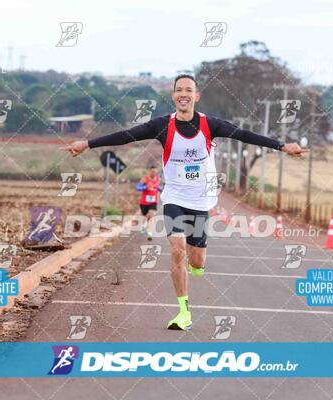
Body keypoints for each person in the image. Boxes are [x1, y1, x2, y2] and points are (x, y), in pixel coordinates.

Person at [63, 74, 307, 330]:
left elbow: (245, 135)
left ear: (196, 96)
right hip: (174, 197)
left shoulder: (210, 125)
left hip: (201, 199)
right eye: (179, 90)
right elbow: (127, 135)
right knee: (177, 249)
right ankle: (183, 313)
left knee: (197, 261)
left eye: (188, 90)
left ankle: (198, 263)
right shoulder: (161, 126)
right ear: (173, 95)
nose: (183, 94)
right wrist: (87, 144)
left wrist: (281, 146)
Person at [136, 165, 162, 240]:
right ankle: (144, 225)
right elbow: (138, 188)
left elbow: (158, 188)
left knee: (152, 214)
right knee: (145, 216)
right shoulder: (145, 179)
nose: (154, 173)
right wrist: (145, 187)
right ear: (150, 171)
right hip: (144, 202)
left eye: (155, 172)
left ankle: (150, 233)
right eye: (153, 171)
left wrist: (159, 189)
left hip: (153, 201)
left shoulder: (158, 179)